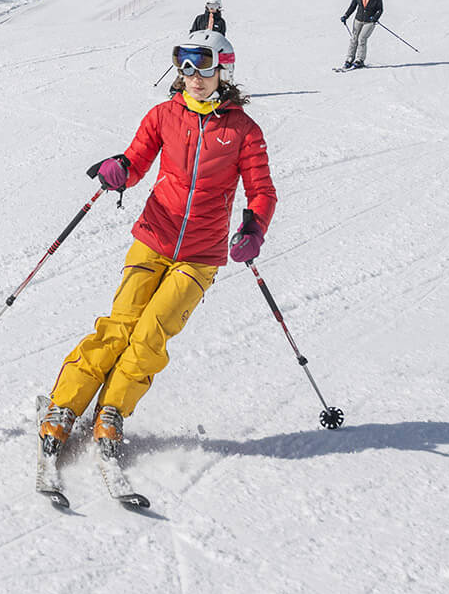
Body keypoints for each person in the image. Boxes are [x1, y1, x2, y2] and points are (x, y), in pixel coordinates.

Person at [42, 29, 275, 474]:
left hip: (201, 254)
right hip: (153, 235)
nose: (192, 77)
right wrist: (120, 169)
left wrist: (254, 227)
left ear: (223, 69)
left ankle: (111, 411)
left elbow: (262, 190)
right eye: (184, 65)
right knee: (120, 325)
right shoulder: (163, 115)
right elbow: (137, 159)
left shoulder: (243, 131)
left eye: (202, 67)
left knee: (150, 335)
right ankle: (63, 405)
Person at [339, 0, 383, 68]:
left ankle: (360, 59)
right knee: (354, 38)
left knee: (362, 39)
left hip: (369, 22)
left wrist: (375, 18)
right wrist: (346, 15)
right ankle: (350, 58)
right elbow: (352, 6)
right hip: (358, 20)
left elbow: (380, 9)